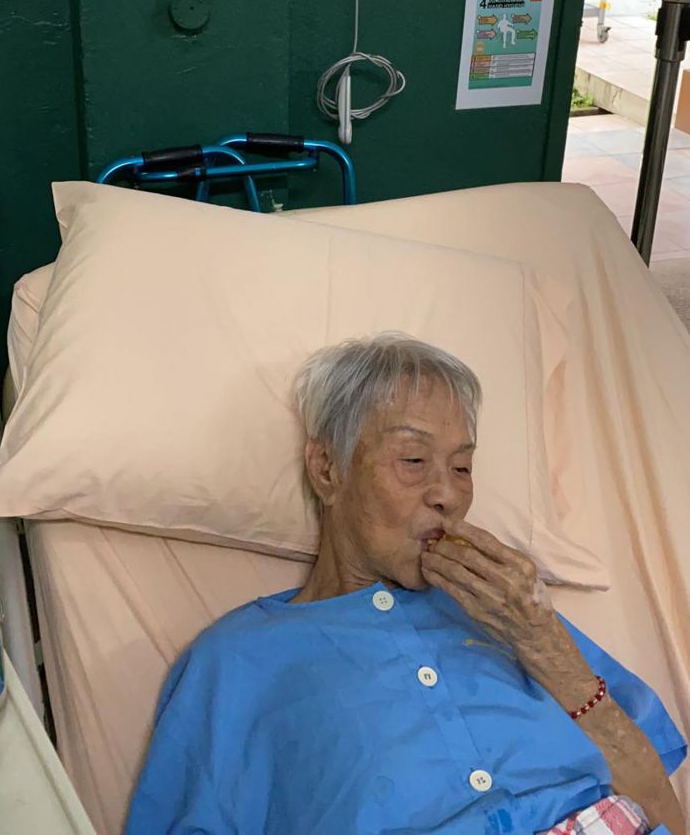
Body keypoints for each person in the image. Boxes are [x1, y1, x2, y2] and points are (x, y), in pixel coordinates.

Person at [125, 334, 687, 835]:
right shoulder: (236, 661)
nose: (449, 494)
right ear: (327, 470)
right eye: (414, 459)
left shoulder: (512, 614)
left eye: (463, 467)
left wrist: (547, 644)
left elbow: (663, 807)